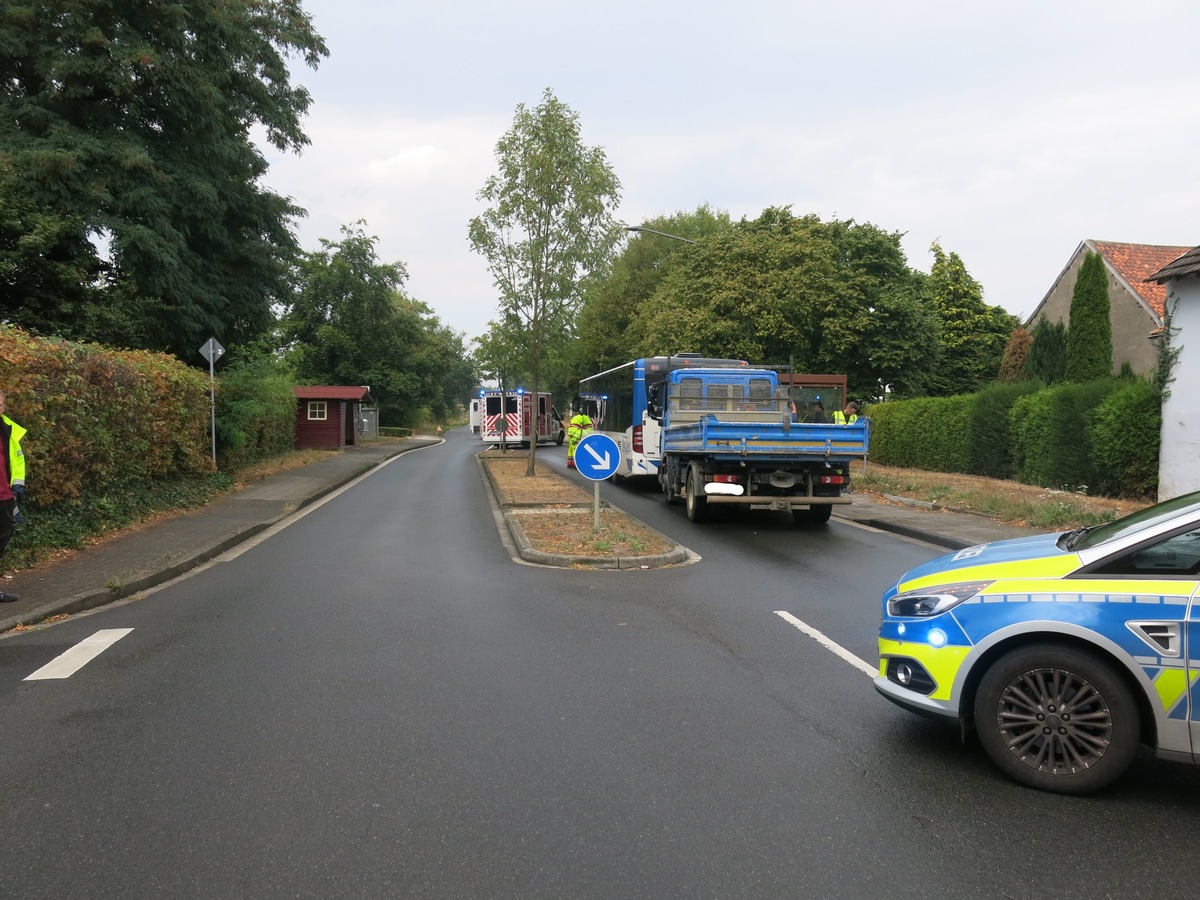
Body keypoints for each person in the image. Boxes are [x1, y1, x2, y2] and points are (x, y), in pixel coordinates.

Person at [0, 390, 28, 603]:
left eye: (0, 404)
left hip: (5, 497)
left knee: (2, 540)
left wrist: (17, 487)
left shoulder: (8, 429)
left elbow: (18, 461)